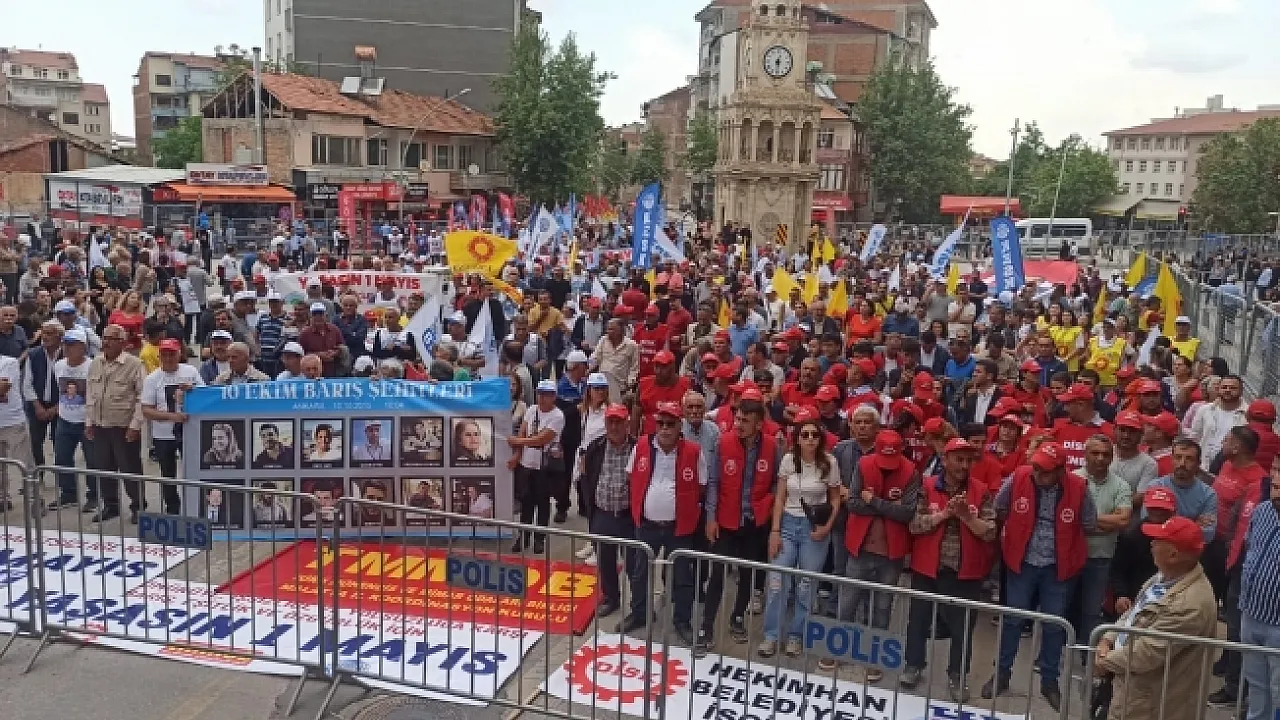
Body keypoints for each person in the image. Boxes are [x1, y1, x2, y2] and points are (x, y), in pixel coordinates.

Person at [989, 441, 1097, 710]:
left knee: (1053, 625)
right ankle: (1001, 674)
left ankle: (1050, 682)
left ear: (1061, 470)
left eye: (1045, 471)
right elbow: (999, 507)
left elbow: (1089, 523)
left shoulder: (1079, 487)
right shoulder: (1019, 476)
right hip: (1022, 561)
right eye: (1036, 467)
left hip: (1058, 567)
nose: (1037, 474)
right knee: (1013, 620)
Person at [900, 438, 997, 702]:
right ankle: (913, 665)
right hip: (927, 567)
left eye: (968, 460)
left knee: (962, 629)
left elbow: (990, 532)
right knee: (918, 621)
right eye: (959, 459)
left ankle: (957, 676)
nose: (964, 465)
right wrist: (943, 514)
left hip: (965, 573)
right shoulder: (927, 486)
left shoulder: (981, 491)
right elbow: (914, 525)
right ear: (945, 460)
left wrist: (967, 516)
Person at [1095, 516, 1218, 720]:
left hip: (1153, 704)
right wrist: (1107, 639)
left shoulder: (1190, 604)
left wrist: (1105, 661)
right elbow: (1133, 613)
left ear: (1173, 554)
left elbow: (1147, 653)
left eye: (1159, 540)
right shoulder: (1163, 577)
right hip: (1132, 691)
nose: (1151, 544)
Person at [699, 389, 780, 654]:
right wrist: (711, 517)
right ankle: (706, 626)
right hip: (726, 520)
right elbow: (713, 482)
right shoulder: (723, 443)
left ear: (759, 424)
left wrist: (767, 507)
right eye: (737, 419)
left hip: (754, 521)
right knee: (717, 574)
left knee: (747, 574)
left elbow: (777, 482)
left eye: (745, 421)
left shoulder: (772, 446)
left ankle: (737, 617)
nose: (739, 424)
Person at [835, 429, 920, 677]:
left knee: (883, 607)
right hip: (860, 546)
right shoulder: (864, 464)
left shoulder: (911, 472)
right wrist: (889, 507)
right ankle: (838, 650)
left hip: (891, 553)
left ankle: (875, 656)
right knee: (848, 602)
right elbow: (853, 503)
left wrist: (874, 501)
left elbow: (907, 513)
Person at [619, 401, 705, 644]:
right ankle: (640, 614)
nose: (665, 429)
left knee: (682, 576)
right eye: (661, 423)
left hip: (679, 527)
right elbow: (630, 475)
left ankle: (682, 620)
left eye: (670, 424)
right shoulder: (642, 445)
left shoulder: (694, 451)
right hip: (646, 525)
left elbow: (701, 486)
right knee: (639, 573)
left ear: (680, 426)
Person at [758, 412, 842, 658]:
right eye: (805, 434)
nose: (810, 438)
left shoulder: (830, 462)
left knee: (806, 585)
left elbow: (835, 499)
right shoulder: (788, 460)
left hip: (813, 527)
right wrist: (774, 531)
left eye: (814, 434)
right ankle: (771, 635)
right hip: (787, 523)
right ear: (797, 438)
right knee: (777, 582)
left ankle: (796, 635)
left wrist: (827, 527)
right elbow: (780, 498)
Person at [578, 403, 637, 618]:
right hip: (602, 514)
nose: (614, 427)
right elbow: (585, 478)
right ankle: (611, 598)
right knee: (605, 562)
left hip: (628, 516)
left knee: (634, 564)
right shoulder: (595, 448)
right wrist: (592, 513)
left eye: (618, 422)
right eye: (610, 422)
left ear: (627, 424)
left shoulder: (638, 448)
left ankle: (639, 605)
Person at [85, 324, 147, 524]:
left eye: (112, 338)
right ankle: (111, 506)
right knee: (104, 468)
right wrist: (89, 421)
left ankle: (138, 506)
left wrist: (135, 425)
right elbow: (90, 393)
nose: (107, 342)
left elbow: (142, 397)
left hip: (124, 427)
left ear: (123, 342)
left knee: (130, 469)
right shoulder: (96, 362)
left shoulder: (134, 364)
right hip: (100, 425)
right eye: (105, 338)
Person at [140, 338, 203, 514]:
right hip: (163, 435)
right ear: (159, 356)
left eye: (172, 354)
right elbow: (146, 410)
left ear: (179, 354)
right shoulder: (152, 379)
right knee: (167, 473)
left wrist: (193, 390)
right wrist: (171, 417)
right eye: (164, 355)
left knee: (193, 471)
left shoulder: (190, 371)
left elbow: (205, 395)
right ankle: (172, 507)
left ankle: (194, 505)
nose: (168, 358)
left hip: (189, 432)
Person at [1238, 460, 1280, 720]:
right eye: (1275, 487)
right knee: (1256, 687)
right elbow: (1249, 547)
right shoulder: (1262, 511)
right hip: (1251, 613)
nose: (1277, 494)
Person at [508, 380, 565, 554]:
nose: (542, 398)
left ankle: (539, 538)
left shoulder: (558, 416)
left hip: (545, 466)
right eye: (540, 393)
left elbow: (542, 439)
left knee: (543, 503)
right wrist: (517, 454)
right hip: (527, 463)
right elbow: (523, 431)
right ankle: (523, 537)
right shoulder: (532, 410)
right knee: (526, 502)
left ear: (553, 397)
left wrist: (518, 441)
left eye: (546, 394)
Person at [21, 320, 63, 467]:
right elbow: (27, 383)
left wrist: (56, 408)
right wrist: (38, 406)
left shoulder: (66, 354)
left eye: (49, 334)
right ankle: (38, 473)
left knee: (60, 442)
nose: (45, 337)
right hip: (36, 404)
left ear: (59, 336)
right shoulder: (33, 354)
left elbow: (73, 385)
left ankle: (60, 474)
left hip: (60, 405)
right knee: (35, 442)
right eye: (44, 333)